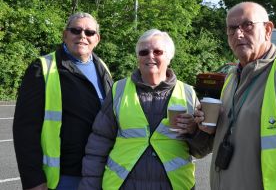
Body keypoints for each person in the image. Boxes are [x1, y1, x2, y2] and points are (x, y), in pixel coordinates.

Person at [195, 2, 276, 190]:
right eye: (232, 28)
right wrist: (210, 129)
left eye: (247, 25)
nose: (238, 34)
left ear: (267, 29)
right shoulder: (231, 77)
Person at [79, 29, 211, 190]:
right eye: (144, 52)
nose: (150, 56)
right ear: (137, 58)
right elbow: (99, 144)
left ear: (169, 57)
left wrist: (193, 131)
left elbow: (201, 151)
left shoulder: (188, 92)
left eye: (157, 51)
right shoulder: (118, 90)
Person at [13, 12, 113, 190]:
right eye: (76, 30)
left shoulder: (102, 68)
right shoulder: (42, 68)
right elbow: (25, 129)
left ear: (97, 39)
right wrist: (34, 180)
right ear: (64, 34)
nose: (82, 36)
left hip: (99, 174)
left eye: (89, 32)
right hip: (62, 178)